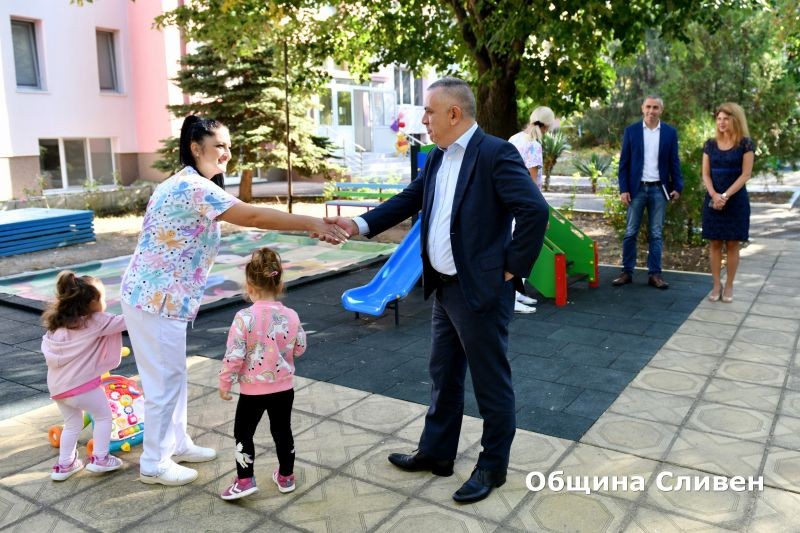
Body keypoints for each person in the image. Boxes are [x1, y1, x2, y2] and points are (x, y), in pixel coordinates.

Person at [326, 77, 549, 503]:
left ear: (454, 113)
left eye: (429, 112)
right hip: (444, 290)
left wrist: (510, 270)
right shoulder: (436, 157)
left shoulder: (495, 153)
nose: (423, 119)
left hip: (480, 291)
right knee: (443, 375)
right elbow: (408, 200)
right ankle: (437, 452)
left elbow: (534, 210)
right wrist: (357, 224)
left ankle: (492, 467)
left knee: (490, 383)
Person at [120, 115, 347, 487]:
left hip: (161, 299)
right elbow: (252, 214)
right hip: (155, 300)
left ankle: (176, 443)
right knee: (164, 381)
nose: (226, 153)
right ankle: (154, 463)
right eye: (219, 146)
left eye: (228, 145)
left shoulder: (190, 183)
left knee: (173, 376)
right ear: (196, 148)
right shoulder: (192, 186)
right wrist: (312, 222)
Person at [218, 247, 306, 500]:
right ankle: (286, 476)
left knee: (243, 434)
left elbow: (234, 354)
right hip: (283, 388)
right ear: (280, 285)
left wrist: (225, 382)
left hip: (252, 392)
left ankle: (245, 480)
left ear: (249, 287)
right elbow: (300, 348)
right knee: (282, 431)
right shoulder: (291, 315)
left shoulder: (244, 317)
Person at [41, 272, 127, 481]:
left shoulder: (58, 325)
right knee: (104, 416)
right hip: (82, 387)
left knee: (72, 424)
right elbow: (127, 322)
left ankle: (65, 465)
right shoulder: (95, 321)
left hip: (58, 388)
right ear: (92, 301)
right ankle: (101, 458)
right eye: (103, 298)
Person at [613, 96, 683, 289]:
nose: (651, 111)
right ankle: (626, 272)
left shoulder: (669, 133)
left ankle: (655, 274)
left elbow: (674, 162)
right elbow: (624, 164)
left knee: (656, 234)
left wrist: (677, 186)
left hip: (659, 190)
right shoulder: (632, 131)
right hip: (636, 190)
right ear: (642, 108)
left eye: (655, 107)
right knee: (630, 232)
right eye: (648, 107)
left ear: (661, 110)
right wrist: (624, 189)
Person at [701, 103, 755, 303]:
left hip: (736, 200)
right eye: (719, 118)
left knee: (733, 243)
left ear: (736, 120)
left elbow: (746, 174)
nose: (721, 122)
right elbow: (706, 174)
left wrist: (725, 196)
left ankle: (729, 285)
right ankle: (716, 285)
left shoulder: (745, 144)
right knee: (715, 243)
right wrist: (714, 195)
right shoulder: (710, 144)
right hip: (713, 199)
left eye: (726, 118)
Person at [508, 106, 556, 313]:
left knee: (513, 247)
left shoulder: (515, 138)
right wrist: (542, 213)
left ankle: (516, 293)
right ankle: (510, 297)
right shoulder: (534, 145)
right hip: (525, 205)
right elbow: (532, 183)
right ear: (548, 126)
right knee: (524, 251)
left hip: (509, 201)